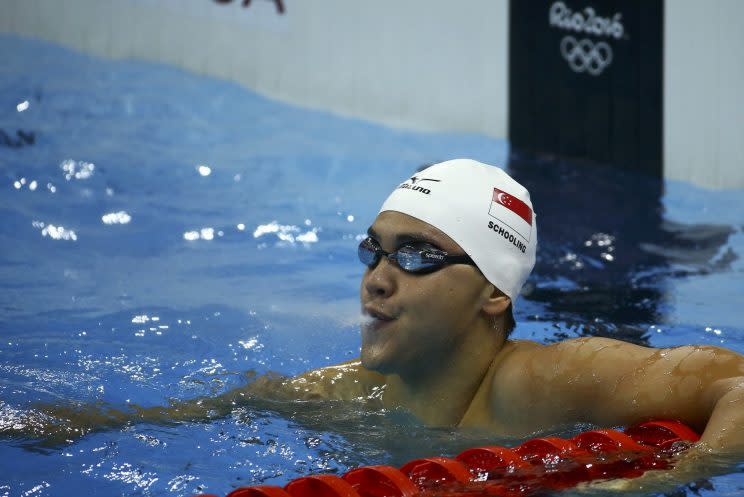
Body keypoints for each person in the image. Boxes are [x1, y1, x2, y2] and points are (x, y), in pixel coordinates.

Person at [12, 159, 744, 487]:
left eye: (418, 254)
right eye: (374, 249)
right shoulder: (339, 395)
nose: (378, 276)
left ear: (493, 292)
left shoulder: (552, 379)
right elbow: (153, 417)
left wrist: (670, 478)